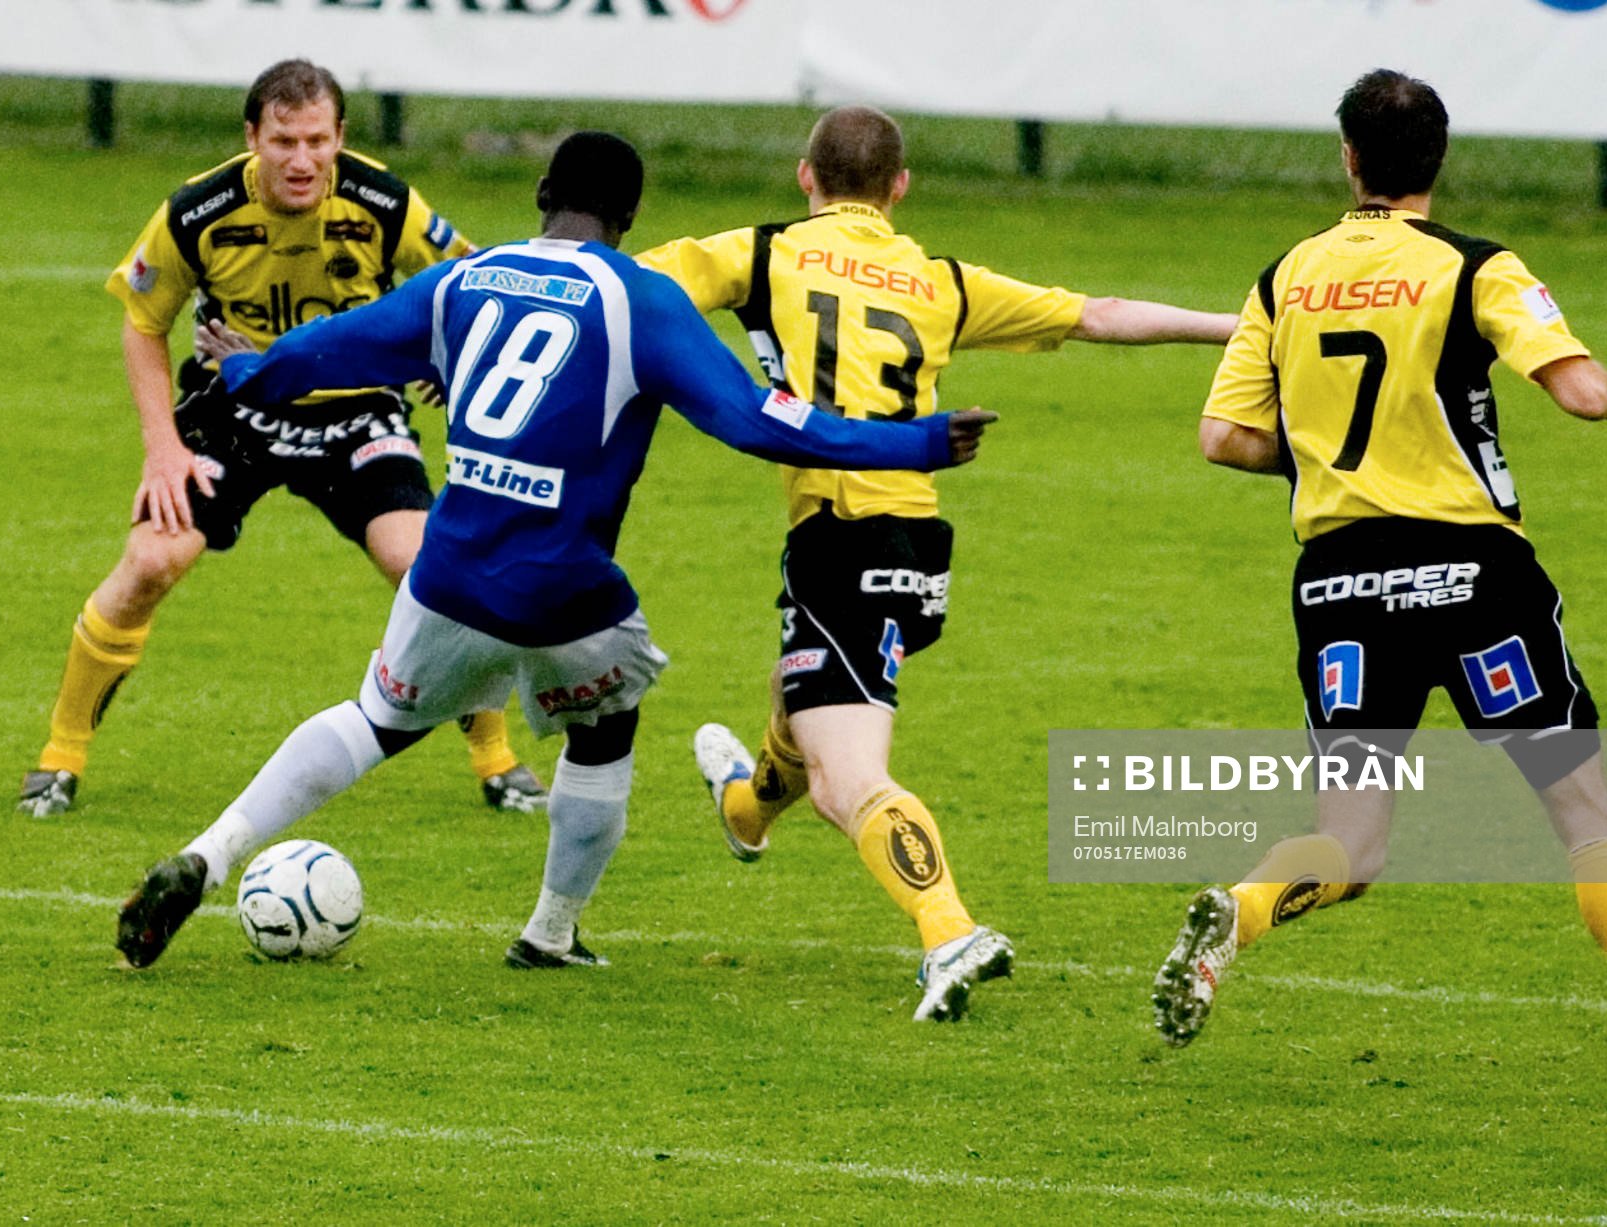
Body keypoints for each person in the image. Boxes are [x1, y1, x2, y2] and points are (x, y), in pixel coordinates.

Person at [113, 131, 999, 972]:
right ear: (631, 220)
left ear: (542, 197)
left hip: (449, 575)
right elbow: (759, 421)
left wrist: (240, 372)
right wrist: (916, 445)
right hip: (570, 594)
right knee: (608, 721)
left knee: (374, 719)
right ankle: (549, 929)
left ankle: (211, 851)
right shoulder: (641, 299)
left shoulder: (465, 280)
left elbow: (326, 350)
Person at [1154, 69, 1607, 1111]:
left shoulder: (1282, 277)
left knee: (1352, 842)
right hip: (1474, 578)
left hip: (1340, 582)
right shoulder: (1476, 266)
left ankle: (1245, 910)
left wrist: (1334, 462)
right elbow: (1579, 389)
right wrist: (1604, 387)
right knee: (1586, 815)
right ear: (1440, 158)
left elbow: (1224, 437)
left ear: (1347, 157)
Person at [638, 105, 1239, 1021]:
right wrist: (1238, 325)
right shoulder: (941, 281)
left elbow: (618, 288)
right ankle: (746, 809)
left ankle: (948, 927)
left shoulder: (763, 254)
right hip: (917, 548)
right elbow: (1102, 315)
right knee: (800, 696)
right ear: (900, 187)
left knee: (851, 780)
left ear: (806, 176)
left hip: (844, 534)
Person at [18, 58, 546, 819]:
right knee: (151, 560)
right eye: (283, 141)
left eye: (317, 141)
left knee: (430, 568)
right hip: (238, 409)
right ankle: (59, 758)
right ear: (252, 138)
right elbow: (144, 323)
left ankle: (495, 759)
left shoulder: (383, 202)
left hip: (356, 408)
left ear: (340, 138)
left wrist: (447, 357)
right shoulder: (198, 212)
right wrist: (162, 448)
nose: (302, 161)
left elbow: (474, 286)